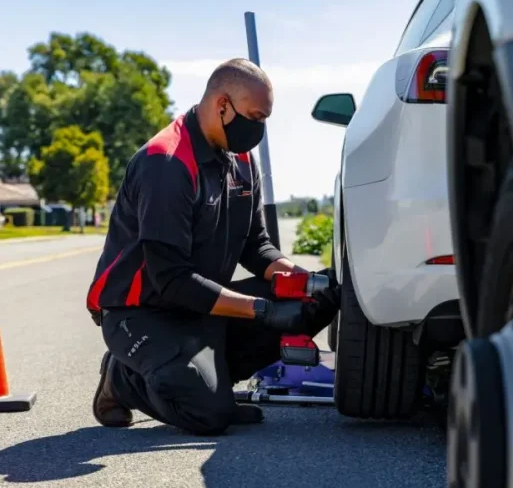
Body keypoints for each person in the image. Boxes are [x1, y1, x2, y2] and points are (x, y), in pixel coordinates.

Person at [86, 58, 340, 436]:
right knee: (208, 415)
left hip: (203, 305)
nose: (259, 130)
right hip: (143, 313)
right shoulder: (167, 163)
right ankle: (122, 378)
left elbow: (255, 244)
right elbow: (171, 281)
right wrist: (262, 310)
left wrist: (297, 278)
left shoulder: (240, 159)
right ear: (222, 104)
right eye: (255, 117)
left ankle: (211, 382)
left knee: (321, 295)